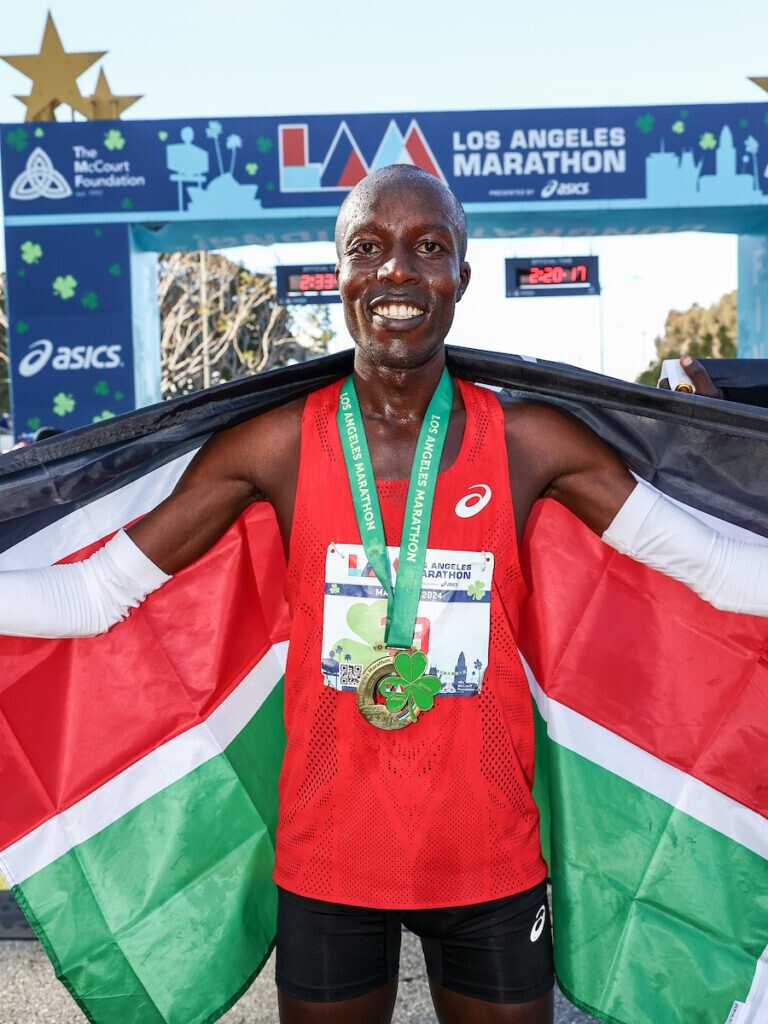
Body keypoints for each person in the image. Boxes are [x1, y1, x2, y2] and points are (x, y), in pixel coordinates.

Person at [3, 165, 768, 1024]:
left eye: (428, 247)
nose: (397, 270)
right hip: (331, 861)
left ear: (461, 278)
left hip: (489, 858)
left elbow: (713, 568)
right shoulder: (276, 445)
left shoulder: (529, 442)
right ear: (338, 274)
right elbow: (95, 594)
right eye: (368, 247)